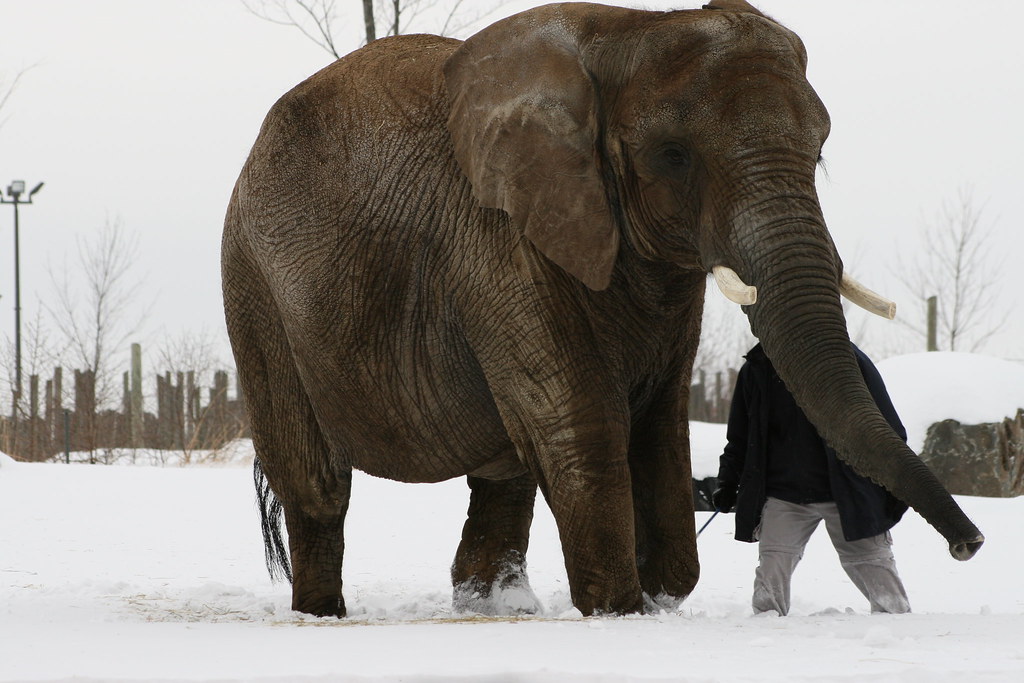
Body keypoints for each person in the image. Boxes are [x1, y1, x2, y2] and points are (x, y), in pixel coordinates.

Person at [712, 342, 912, 616]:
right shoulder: (758, 367)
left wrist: (893, 482)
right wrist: (727, 482)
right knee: (771, 573)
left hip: (849, 493)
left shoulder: (849, 361)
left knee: (876, 569)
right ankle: (765, 633)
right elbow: (740, 437)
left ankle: (897, 629)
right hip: (784, 495)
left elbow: (889, 429)